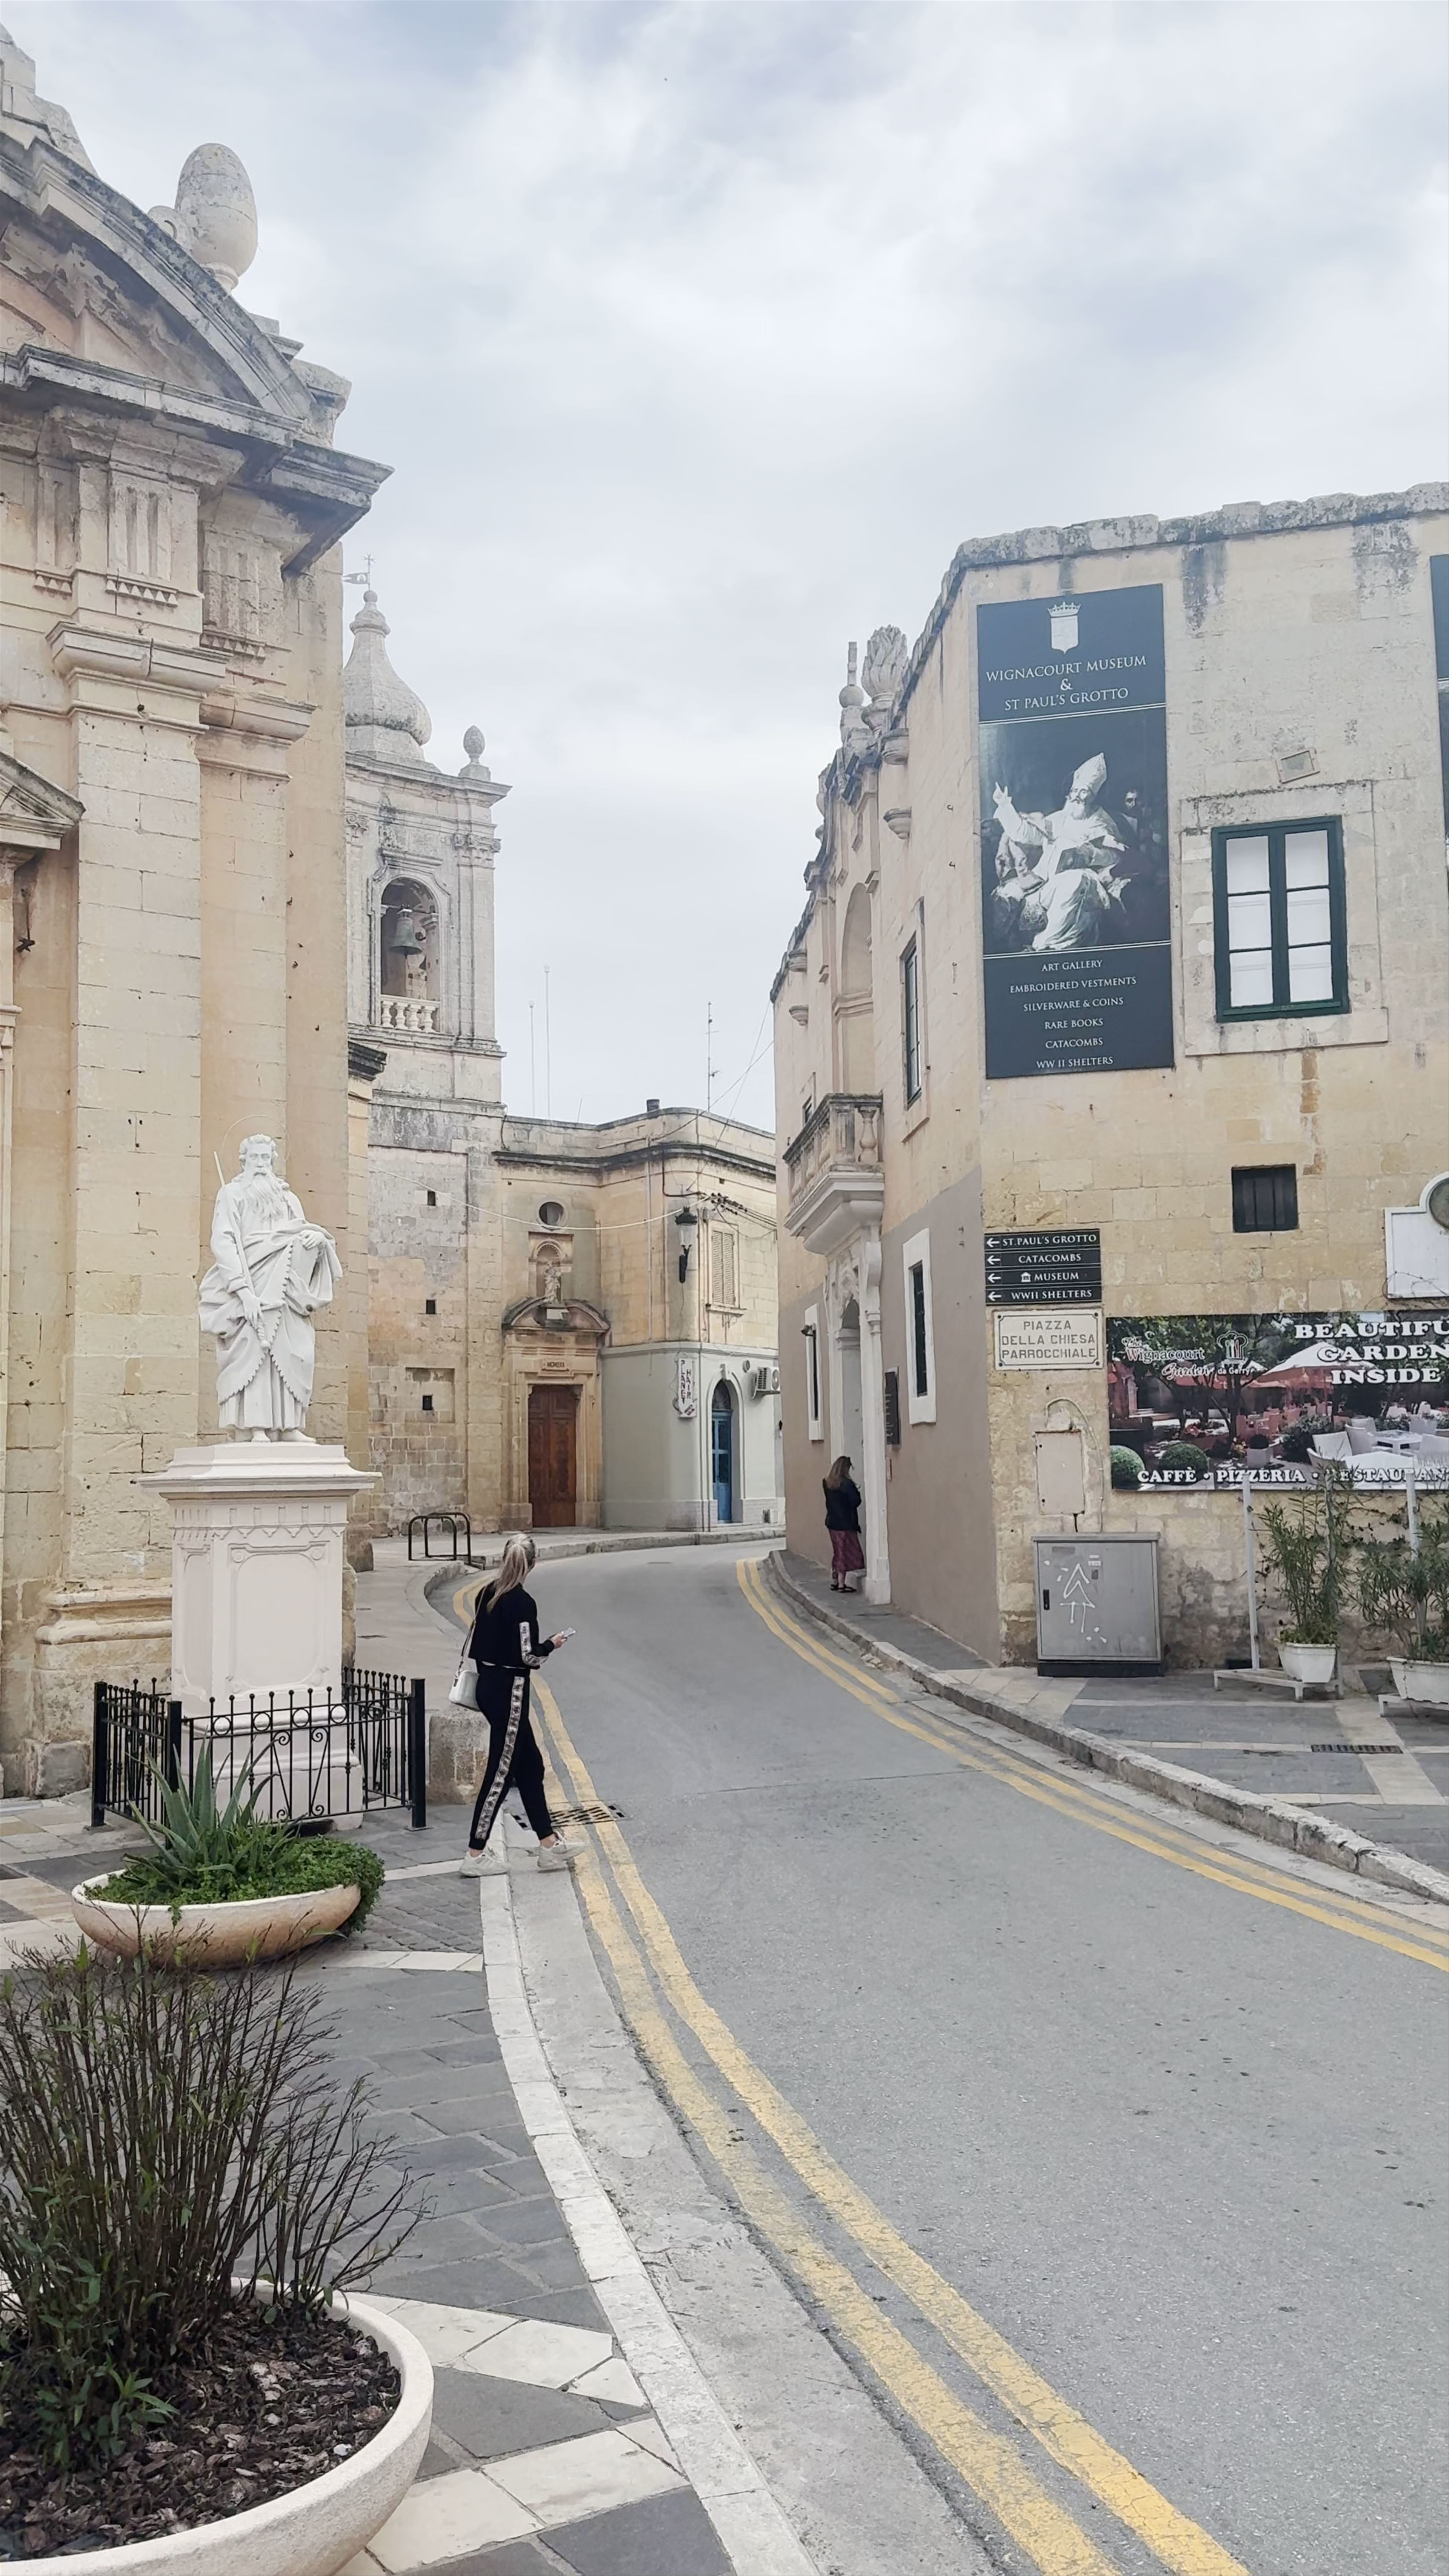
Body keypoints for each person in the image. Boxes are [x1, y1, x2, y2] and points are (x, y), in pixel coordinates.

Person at [459, 1536, 578, 1877]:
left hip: (487, 1684)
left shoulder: (488, 1593)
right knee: (500, 1773)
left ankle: (549, 1845)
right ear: (533, 1563)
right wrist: (552, 1644)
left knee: (531, 1767)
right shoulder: (523, 1603)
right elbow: (529, 1656)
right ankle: (475, 1853)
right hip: (510, 1691)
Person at [823, 1456, 865, 1592]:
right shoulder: (847, 1484)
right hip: (846, 1523)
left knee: (838, 1551)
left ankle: (836, 1579)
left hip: (832, 1522)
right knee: (847, 1553)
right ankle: (842, 1583)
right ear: (845, 1468)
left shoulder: (827, 1483)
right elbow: (856, 1501)